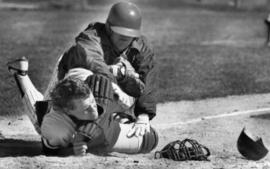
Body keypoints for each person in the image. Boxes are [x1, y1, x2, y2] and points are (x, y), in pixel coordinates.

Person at [7, 58, 158, 156]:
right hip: (68, 77)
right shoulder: (56, 125)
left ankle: (21, 72)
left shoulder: (101, 87)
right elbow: (53, 150)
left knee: (148, 137)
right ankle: (21, 74)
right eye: (87, 109)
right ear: (66, 112)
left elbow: (151, 136)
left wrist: (83, 137)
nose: (94, 110)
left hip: (84, 69)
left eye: (92, 103)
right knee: (44, 125)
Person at [55, 1, 158, 139]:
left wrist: (144, 115)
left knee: (132, 81)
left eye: (130, 37)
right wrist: (113, 79)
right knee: (49, 119)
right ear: (109, 28)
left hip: (110, 88)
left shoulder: (142, 48)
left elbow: (146, 80)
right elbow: (95, 64)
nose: (126, 41)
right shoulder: (90, 37)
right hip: (72, 82)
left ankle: (111, 117)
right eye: (122, 37)